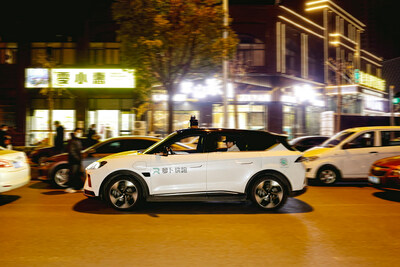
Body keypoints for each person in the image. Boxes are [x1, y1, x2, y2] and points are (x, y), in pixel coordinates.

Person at [65, 128, 84, 193]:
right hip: (73, 161)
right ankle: (70, 187)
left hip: (77, 161)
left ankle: (79, 187)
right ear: (75, 132)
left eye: (81, 132)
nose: (79, 133)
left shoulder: (78, 140)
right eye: (78, 132)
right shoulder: (72, 141)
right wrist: (77, 158)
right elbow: (72, 151)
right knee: (73, 174)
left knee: (78, 174)